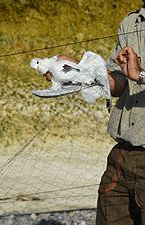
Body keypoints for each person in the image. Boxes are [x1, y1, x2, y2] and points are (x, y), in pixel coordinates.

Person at [44, 1, 145, 224]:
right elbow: (120, 82)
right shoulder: (131, 21)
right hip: (122, 157)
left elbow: (137, 75)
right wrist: (80, 73)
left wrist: (141, 75)